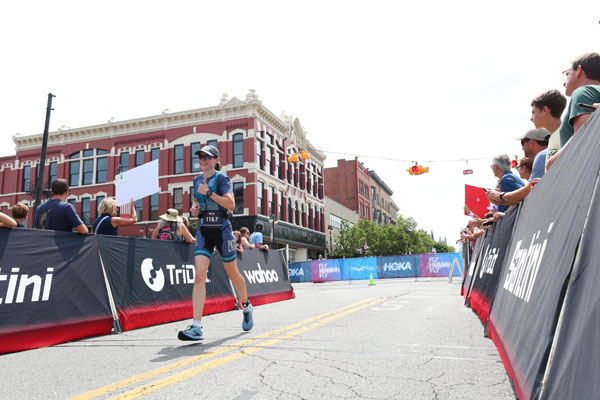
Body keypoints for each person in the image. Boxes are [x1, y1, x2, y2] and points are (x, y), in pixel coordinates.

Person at [178, 144, 253, 341]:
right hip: (204, 229)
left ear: (216, 160)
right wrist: (195, 210)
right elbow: (197, 203)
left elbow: (231, 204)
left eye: (207, 157)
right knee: (199, 276)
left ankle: (246, 305)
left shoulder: (222, 179)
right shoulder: (196, 180)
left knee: (233, 274)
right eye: (200, 157)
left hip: (222, 230)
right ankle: (196, 327)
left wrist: (209, 193)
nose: (202, 160)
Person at [548, 53, 600, 169]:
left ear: (579, 70)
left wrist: (553, 163)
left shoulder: (583, 92)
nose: (564, 82)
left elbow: (583, 139)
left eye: (567, 74)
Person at [530, 89, 567, 170]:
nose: (531, 118)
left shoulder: (565, 134)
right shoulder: (554, 136)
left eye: (533, 112)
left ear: (544, 110)